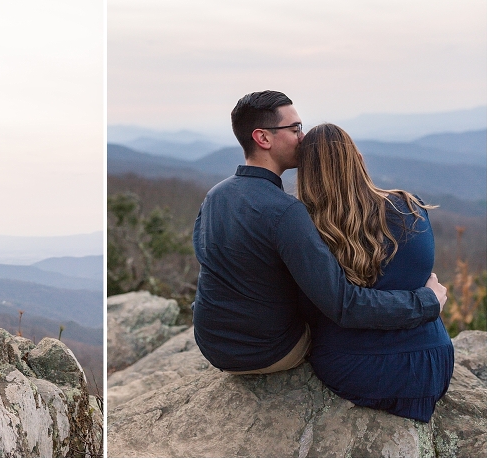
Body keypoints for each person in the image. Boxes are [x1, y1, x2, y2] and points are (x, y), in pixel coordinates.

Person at [192, 91, 447, 374]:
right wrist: (427, 301)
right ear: (263, 138)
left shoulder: (215, 195)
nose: (302, 137)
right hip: (268, 353)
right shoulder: (286, 212)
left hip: (211, 346)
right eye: (294, 129)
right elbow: (343, 304)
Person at [296, 123, 453, 422]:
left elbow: (310, 309)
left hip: (356, 365)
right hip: (433, 362)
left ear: (306, 175)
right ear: (359, 159)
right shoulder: (412, 207)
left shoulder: (309, 229)